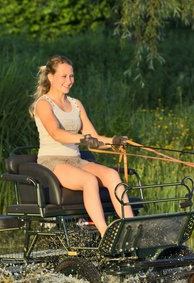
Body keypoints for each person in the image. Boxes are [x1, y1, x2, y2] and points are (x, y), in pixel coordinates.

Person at [29, 55, 133, 236]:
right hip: (52, 162)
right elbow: (56, 133)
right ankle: (105, 234)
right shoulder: (43, 104)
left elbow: (94, 138)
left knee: (112, 175)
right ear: (51, 77)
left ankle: (131, 229)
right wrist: (84, 139)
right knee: (89, 180)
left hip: (76, 160)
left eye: (71, 76)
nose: (69, 81)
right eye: (64, 76)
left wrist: (114, 141)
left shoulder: (76, 104)